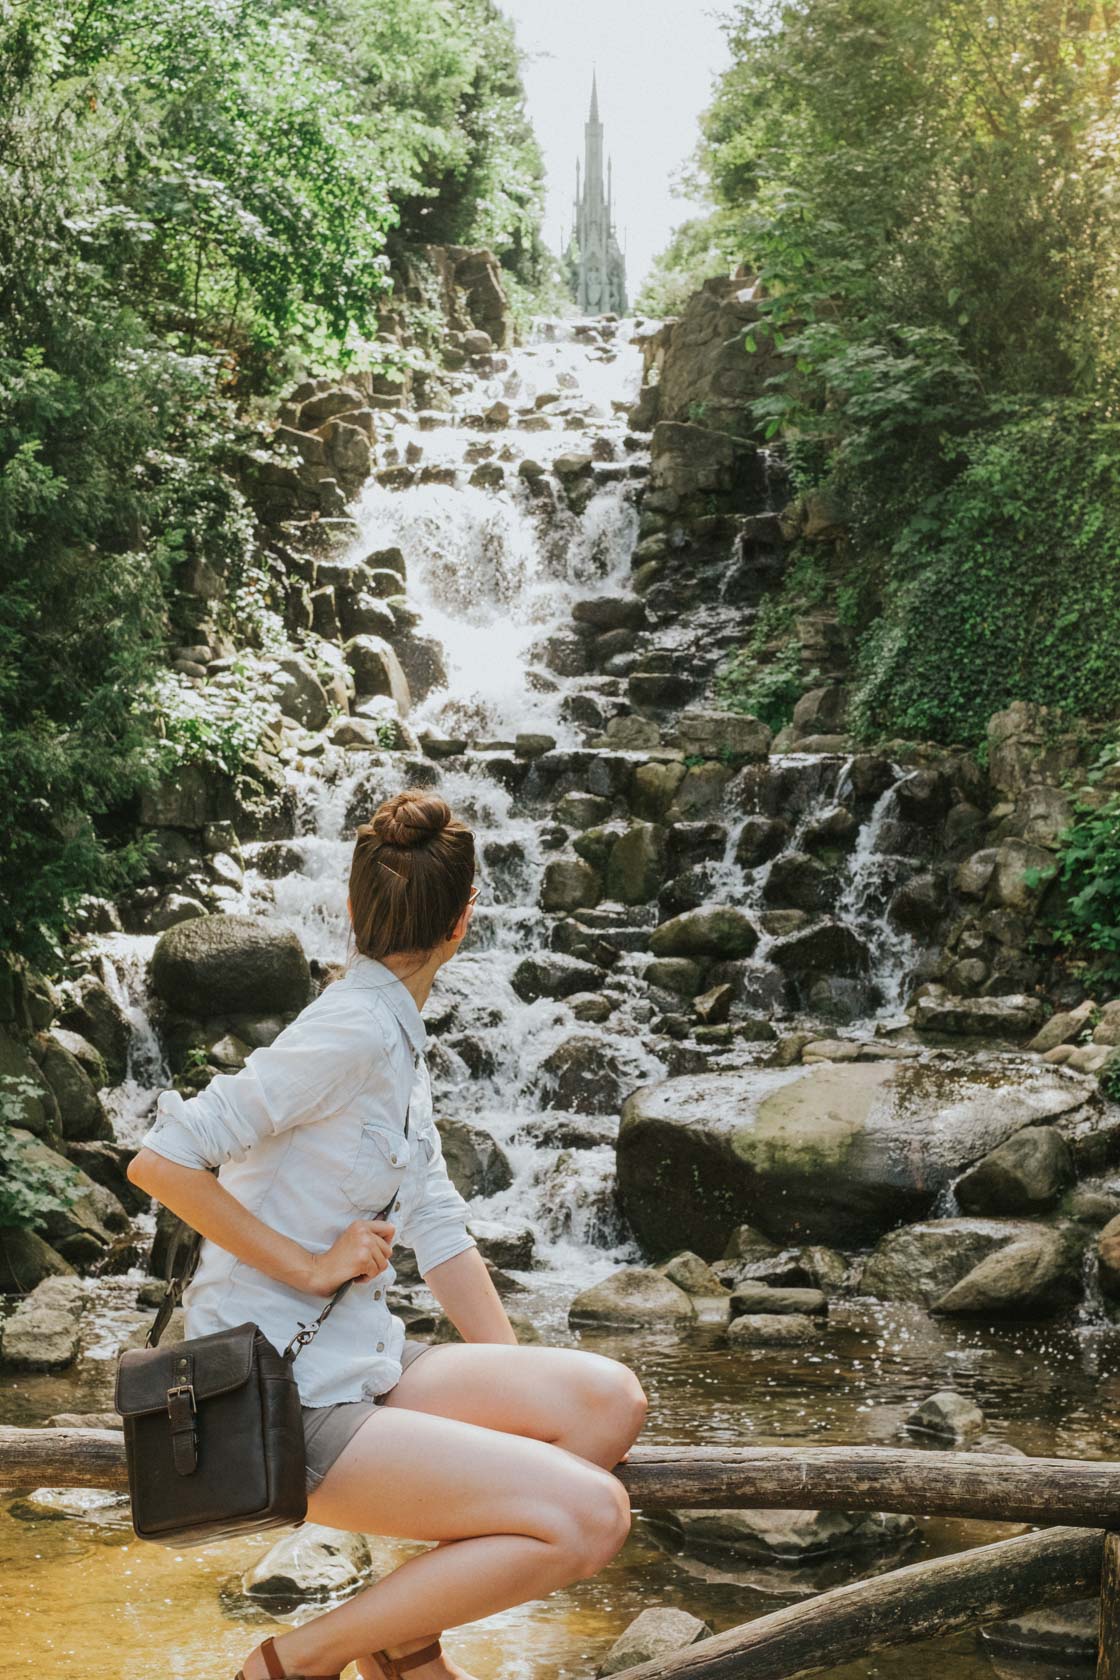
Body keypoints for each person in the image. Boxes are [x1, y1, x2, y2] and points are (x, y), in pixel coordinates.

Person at [127, 789, 648, 1680]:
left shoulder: (395, 1037)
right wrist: (311, 1262)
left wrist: (513, 1400)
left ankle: (402, 1641)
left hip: (359, 1361)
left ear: (352, 912)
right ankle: (295, 1662)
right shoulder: (346, 1030)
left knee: (608, 1401)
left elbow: (439, 1228)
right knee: (593, 1517)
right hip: (278, 1392)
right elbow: (163, 1160)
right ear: (464, 922)